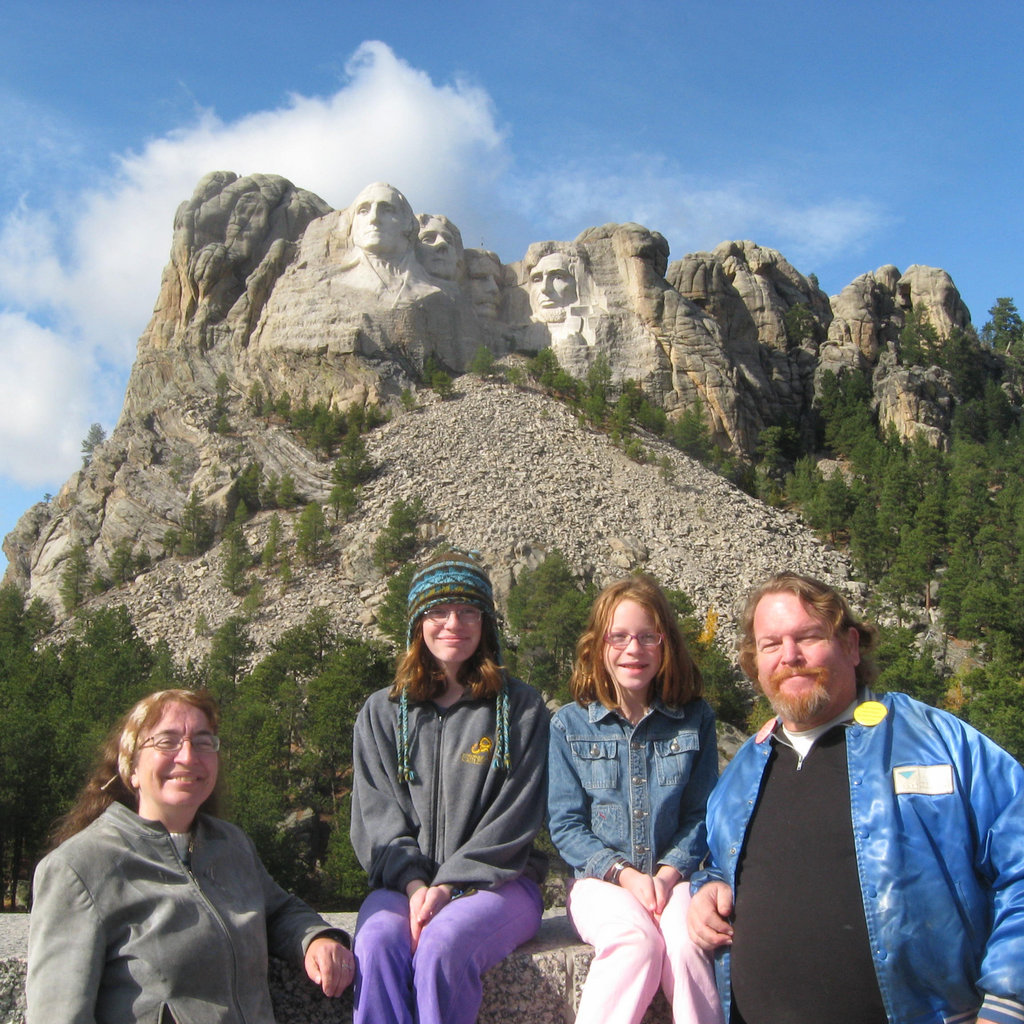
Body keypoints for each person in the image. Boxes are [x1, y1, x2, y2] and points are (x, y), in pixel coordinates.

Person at [687, 571, 1024, 1024]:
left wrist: (1008, 1003)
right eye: (770, 644)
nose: (790, 656)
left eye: (807, 637)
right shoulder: (744, 768)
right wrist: (707, 888)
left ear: (850, 645)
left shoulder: (939, 743)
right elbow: (718, 865)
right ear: (755, 663)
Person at [26, 688, 352, 1024]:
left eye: (203, 742)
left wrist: (316, 938)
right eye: (167, 742)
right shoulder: (79, 867)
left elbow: (279, 910)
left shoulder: (231, 845)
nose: (187, 756)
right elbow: (57, 1015)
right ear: (132, 767)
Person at [350, 550, 549, 1024]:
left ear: (486, 623)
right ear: (418, 622)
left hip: (500, 884)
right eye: (438, 611)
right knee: (375, 943)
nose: (453, 624)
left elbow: (516, 816)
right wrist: (416, 885)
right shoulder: (382, 712)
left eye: (467, 611)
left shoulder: (520, 709)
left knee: (442, 947)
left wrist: (448, 886)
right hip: (405, 885)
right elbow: (377, 818)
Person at [548, 575, 723, 1024]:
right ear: (597, 646)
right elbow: (566, 826)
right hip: (600, 884)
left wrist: (667, 875)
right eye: (619, 636)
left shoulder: (695, 718)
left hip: (676, 879)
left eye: (648, 637)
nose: (634, 649)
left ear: (666, 645)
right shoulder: (568, 725)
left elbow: (702, 815)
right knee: (636, 943)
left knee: (688, 943)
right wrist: (624, 875)